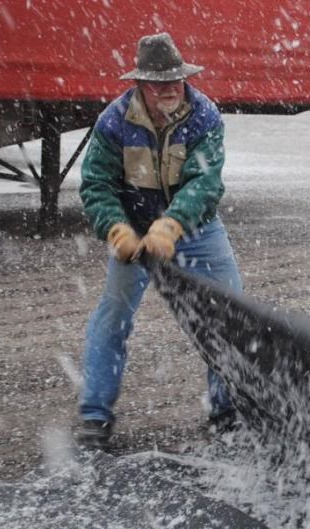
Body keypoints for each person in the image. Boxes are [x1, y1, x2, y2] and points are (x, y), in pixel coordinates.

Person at [75, 32, 242, 450]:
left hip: (196, 229)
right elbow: (96, 185)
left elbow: (205, 183)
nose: (169, 88)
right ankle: (94, 416)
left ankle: (226, 411)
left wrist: (171, 226)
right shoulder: (113, 123)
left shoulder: (204, 116)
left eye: (175, 80)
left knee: (228, 314)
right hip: (133, 228)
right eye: (159, 82)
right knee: (112, 317)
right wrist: (115, 229)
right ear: (140, 85)